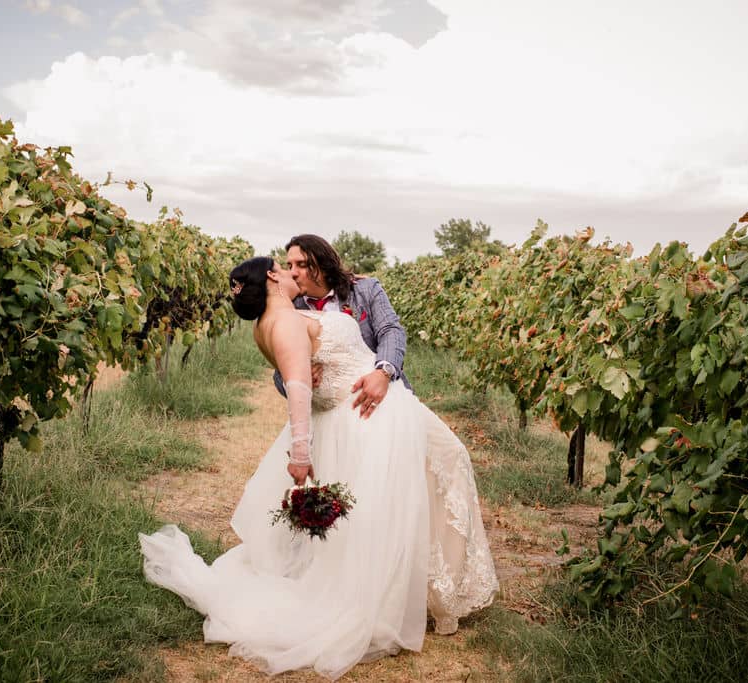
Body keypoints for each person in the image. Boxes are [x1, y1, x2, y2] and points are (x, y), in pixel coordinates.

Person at [139, 257, 497, 681]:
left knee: (426, 479)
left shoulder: (282, 317)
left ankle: (435, 589)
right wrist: (300, 453)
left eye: (297, 264)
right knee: (400, 498)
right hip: (368, 416)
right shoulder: (285, 322)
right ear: (273, 276)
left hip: (374, 406)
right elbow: (296, 386)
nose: (292, 271)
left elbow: (328, 358)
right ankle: (412, 596)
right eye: (283, 265)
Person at [275, 234, 409, 418]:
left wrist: (383, 373)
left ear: (324, 264)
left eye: (302, 264)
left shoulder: (366, 289)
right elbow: (278, 370)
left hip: (377, 399)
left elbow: (390, 330)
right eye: (289, 266)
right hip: (330, 416)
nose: (293, 272)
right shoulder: (291, 308)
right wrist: (296, 379)